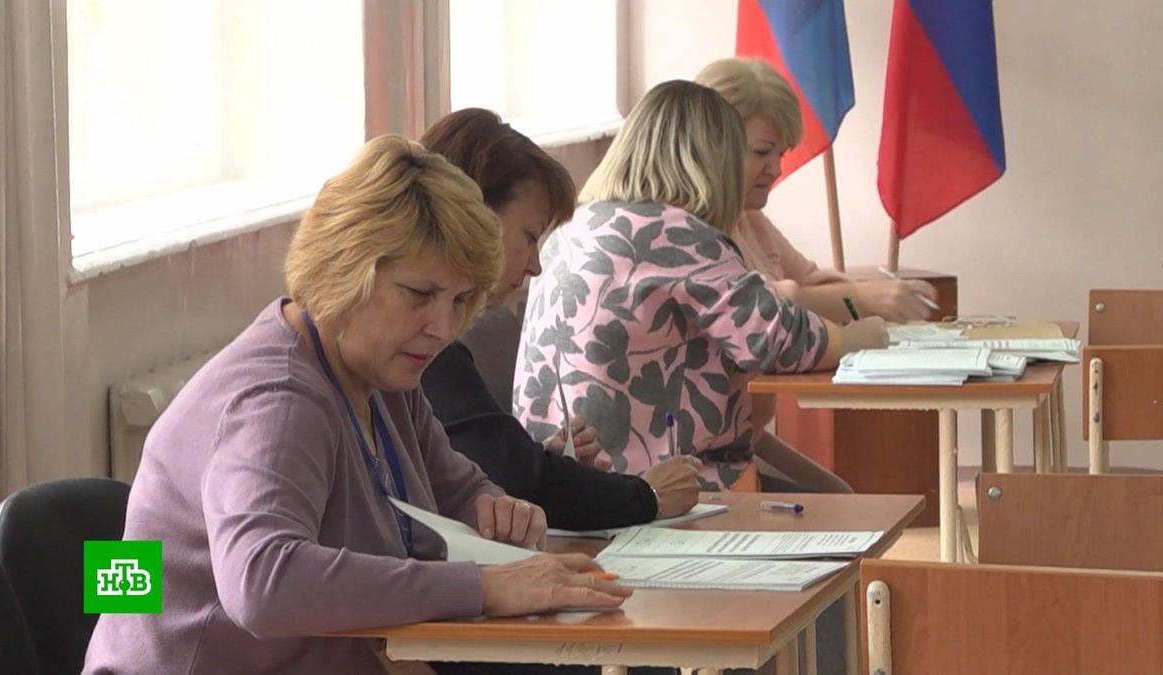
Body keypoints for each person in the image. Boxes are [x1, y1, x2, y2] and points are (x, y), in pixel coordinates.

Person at [83, 135, 631, 675]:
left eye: (461, 300)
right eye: (420, 295)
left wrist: (495, 506)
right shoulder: (278, 402)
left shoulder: (378, 372)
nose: (443, 327)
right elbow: (262, 582)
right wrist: (484, 587)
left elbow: (454, 487)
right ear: (346, 270)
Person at [511, 79, 887, 501]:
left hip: (553, 480)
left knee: (833, 495)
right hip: (650, 488)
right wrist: (862, 337)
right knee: (843, 510)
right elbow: (777, 339)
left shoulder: (574, 225)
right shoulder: (677, 235)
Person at [418, 108, 702, 535]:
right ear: (472, 219)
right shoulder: (423, 345)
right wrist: (647, 496)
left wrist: (544, 461)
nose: (535, 266)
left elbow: (483, 469)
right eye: (530, 237)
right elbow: (513, 476)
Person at [694, 57, 939, 326]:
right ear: (713, 144)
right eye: (762, 152)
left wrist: (854, 303)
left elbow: (816, 285)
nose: (776, 169)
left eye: (781, 154)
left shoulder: (751, 219)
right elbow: (761, 306)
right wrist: (860, 300)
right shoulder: (684, 230)